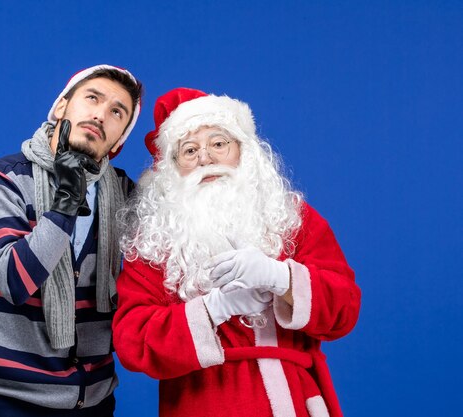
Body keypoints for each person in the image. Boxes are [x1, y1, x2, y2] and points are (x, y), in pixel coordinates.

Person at [113, 88, 361, 417]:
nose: (205, 158)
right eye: (189, 150)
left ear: (244, 150)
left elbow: (344, 309)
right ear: (172, 169)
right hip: (203, 404)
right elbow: (134, 340)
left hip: (295, 401)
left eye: (218, 143)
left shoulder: (292, 218)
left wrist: (281, 278)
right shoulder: (153, 241)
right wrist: (214, 309)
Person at [0, 64, 143, 416]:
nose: (99, 114)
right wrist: (67, 198)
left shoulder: (125, 193)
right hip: (15, 400)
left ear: (120, 136)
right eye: (92, 98)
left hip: (95, 399)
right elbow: (15, 281)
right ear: (62, 106)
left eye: (116, 112)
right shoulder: (0, 180)